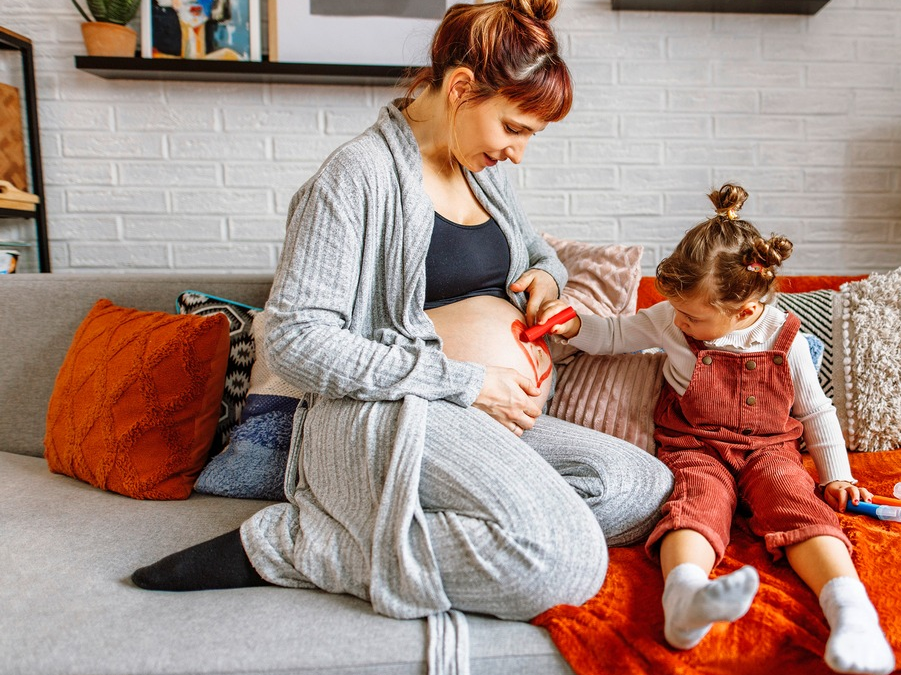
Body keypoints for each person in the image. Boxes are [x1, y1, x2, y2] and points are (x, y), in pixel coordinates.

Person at [131, 0, 672, 630]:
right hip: (385, 415)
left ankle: (406, 527)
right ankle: (298, 545)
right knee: (561, 563)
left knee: (641, 489)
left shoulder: (484, 174)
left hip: (487, 424)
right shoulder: (354, 178)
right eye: (513, 128)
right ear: (462, 88)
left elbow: (540, 254)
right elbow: (295, 341)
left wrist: (547, 280)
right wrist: (468, 382)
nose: (519, 152)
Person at [533, 184, 896, 675]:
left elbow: (816, 412)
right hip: (695, 445)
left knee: (797, 503)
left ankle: (851, 611)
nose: (679, 321)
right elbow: (616, 334)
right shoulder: (671, 318)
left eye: (693, 316)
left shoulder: (784, 337)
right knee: (694, 506)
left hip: (770, 449)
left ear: (745, 311)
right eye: (678, 310)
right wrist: (576, 326)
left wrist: (837, 476)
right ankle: (685, 597)